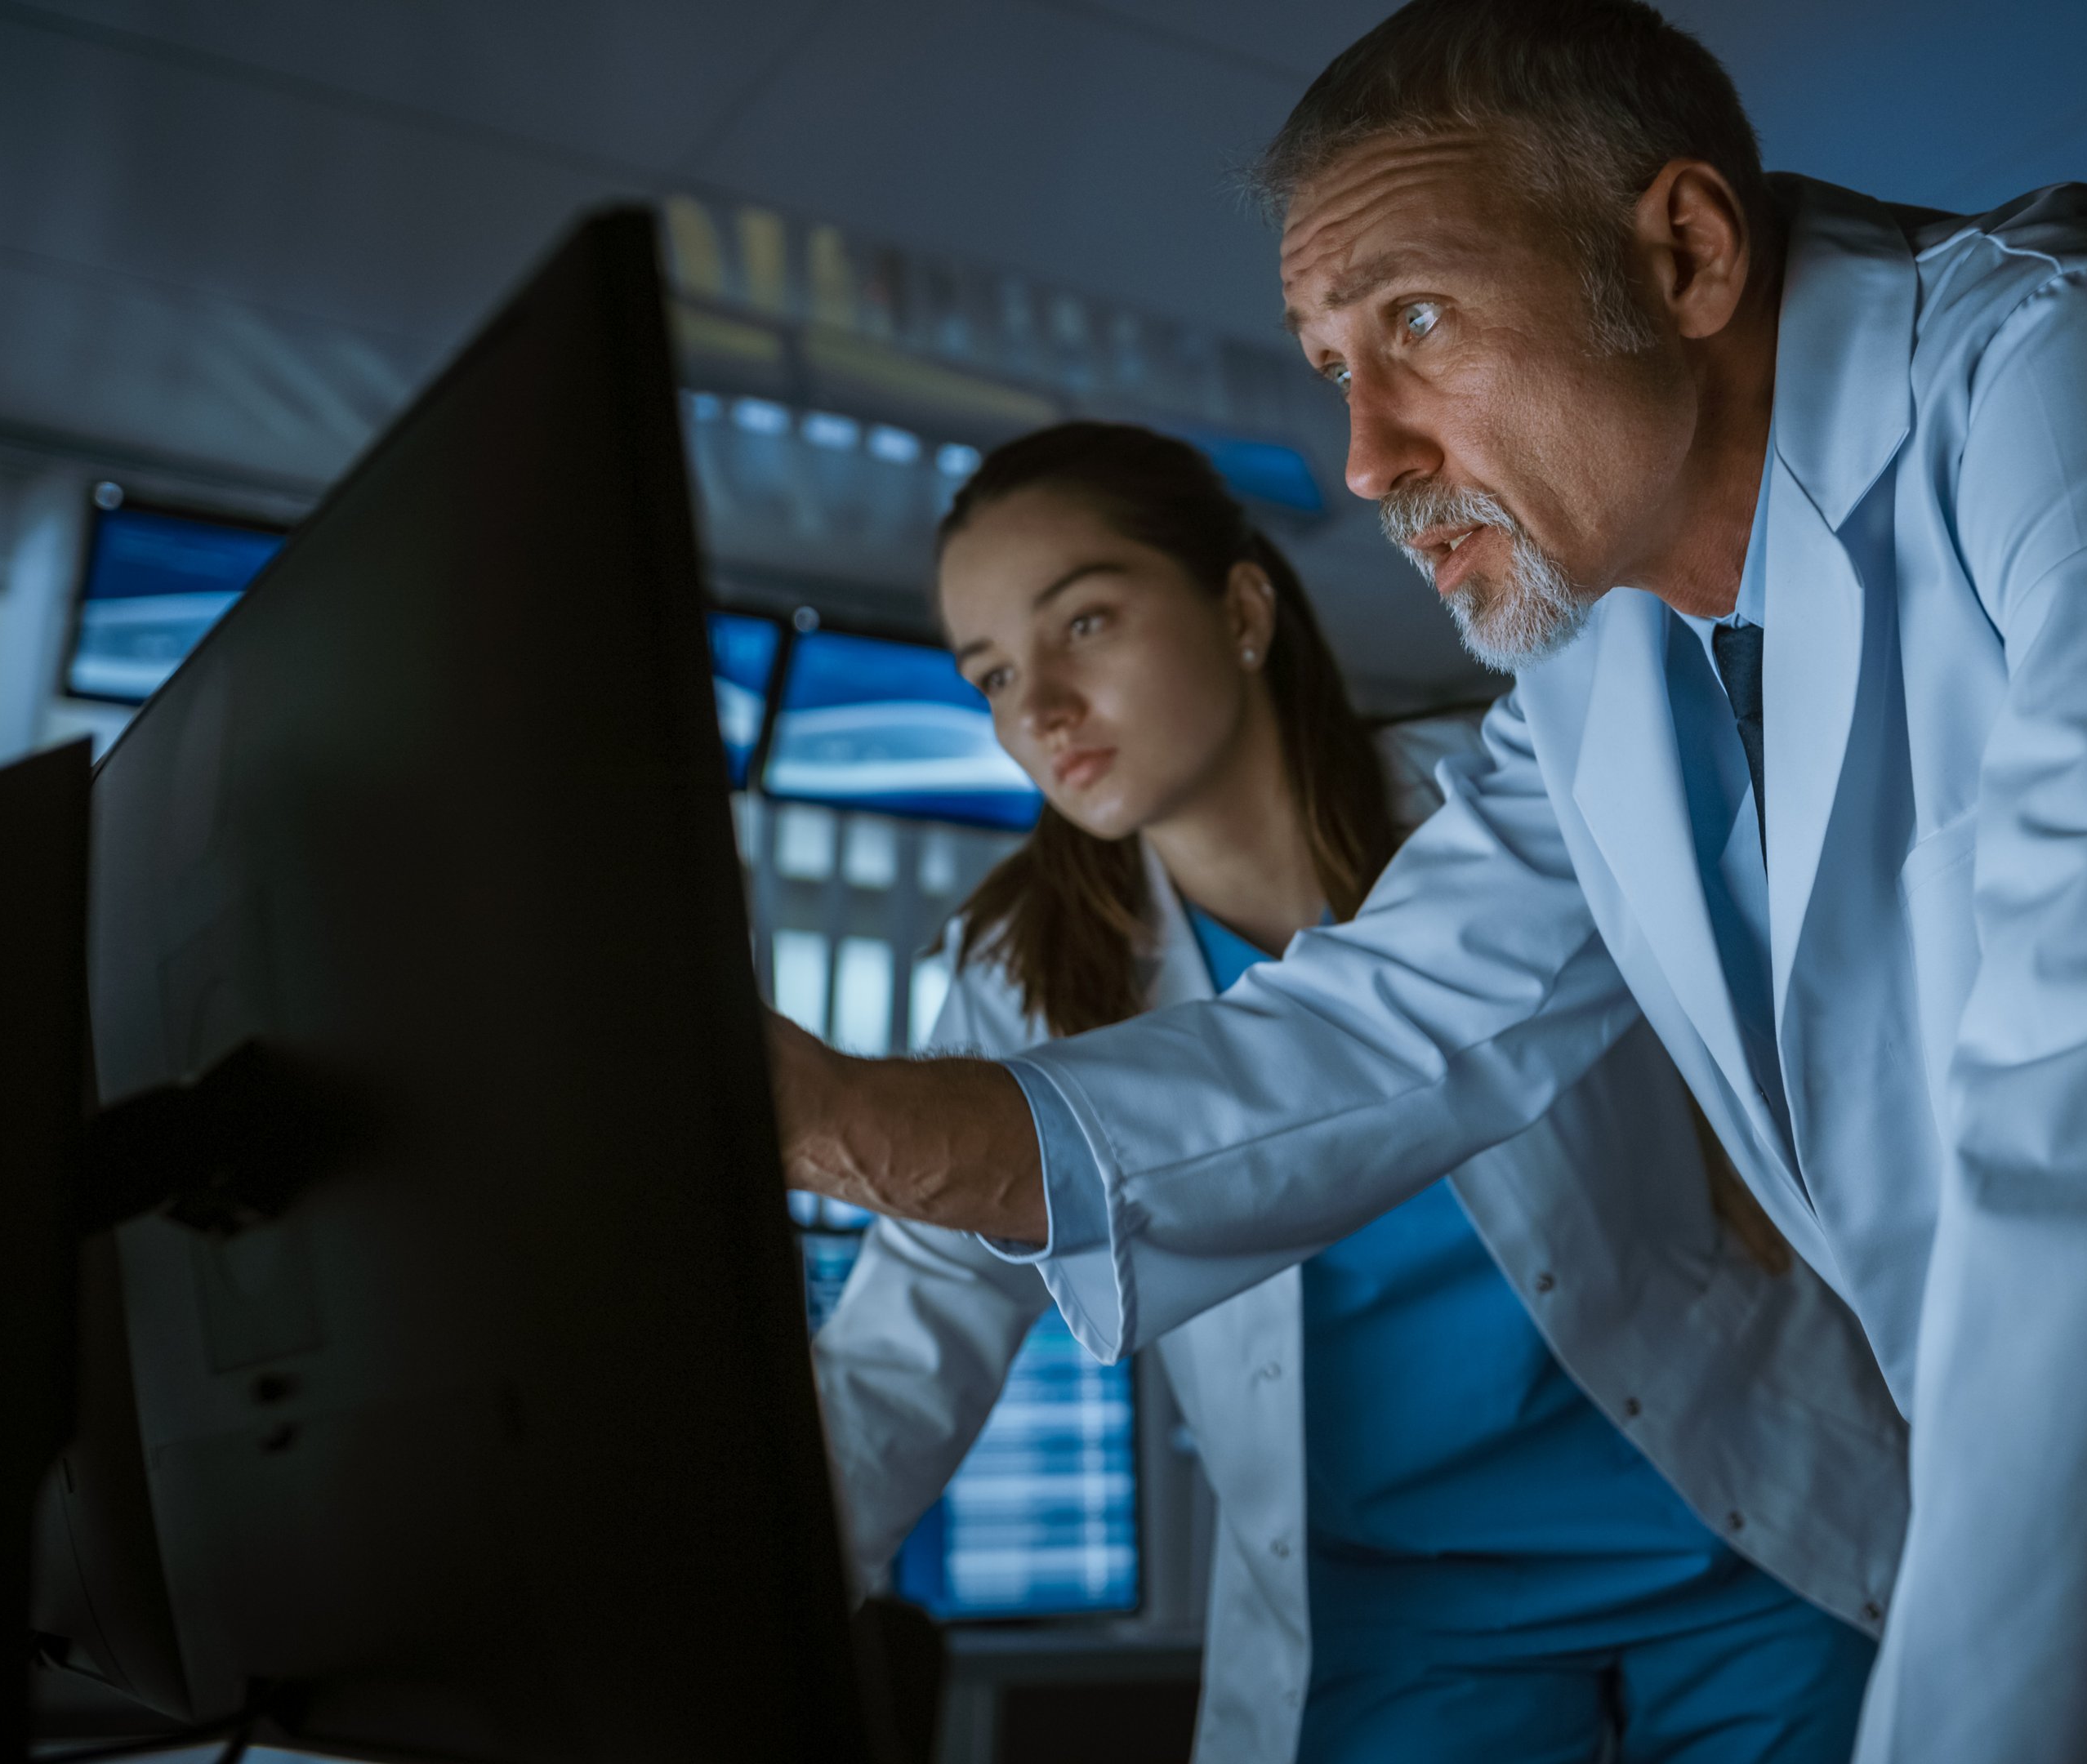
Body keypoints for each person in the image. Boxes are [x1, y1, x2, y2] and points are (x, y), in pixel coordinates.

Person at [765, 2, 2087, 1757]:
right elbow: (1382, 1034)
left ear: (1689, 252)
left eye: (1416, 321)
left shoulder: (2078, 382)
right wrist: (835, 1115)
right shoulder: (1600, 663)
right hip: (2014, 1557)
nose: (1368, 457)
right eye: (1337, 363)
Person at [808, 421, 1902, 1763]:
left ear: (1244, 606)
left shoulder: (1497, 796)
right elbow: (905, 1345)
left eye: (1083, 622)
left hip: (1732, 1527)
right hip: (1401, 1620)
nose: (1035, 708)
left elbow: (1798, 1007)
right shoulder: (1019, 978)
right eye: (989, 675)